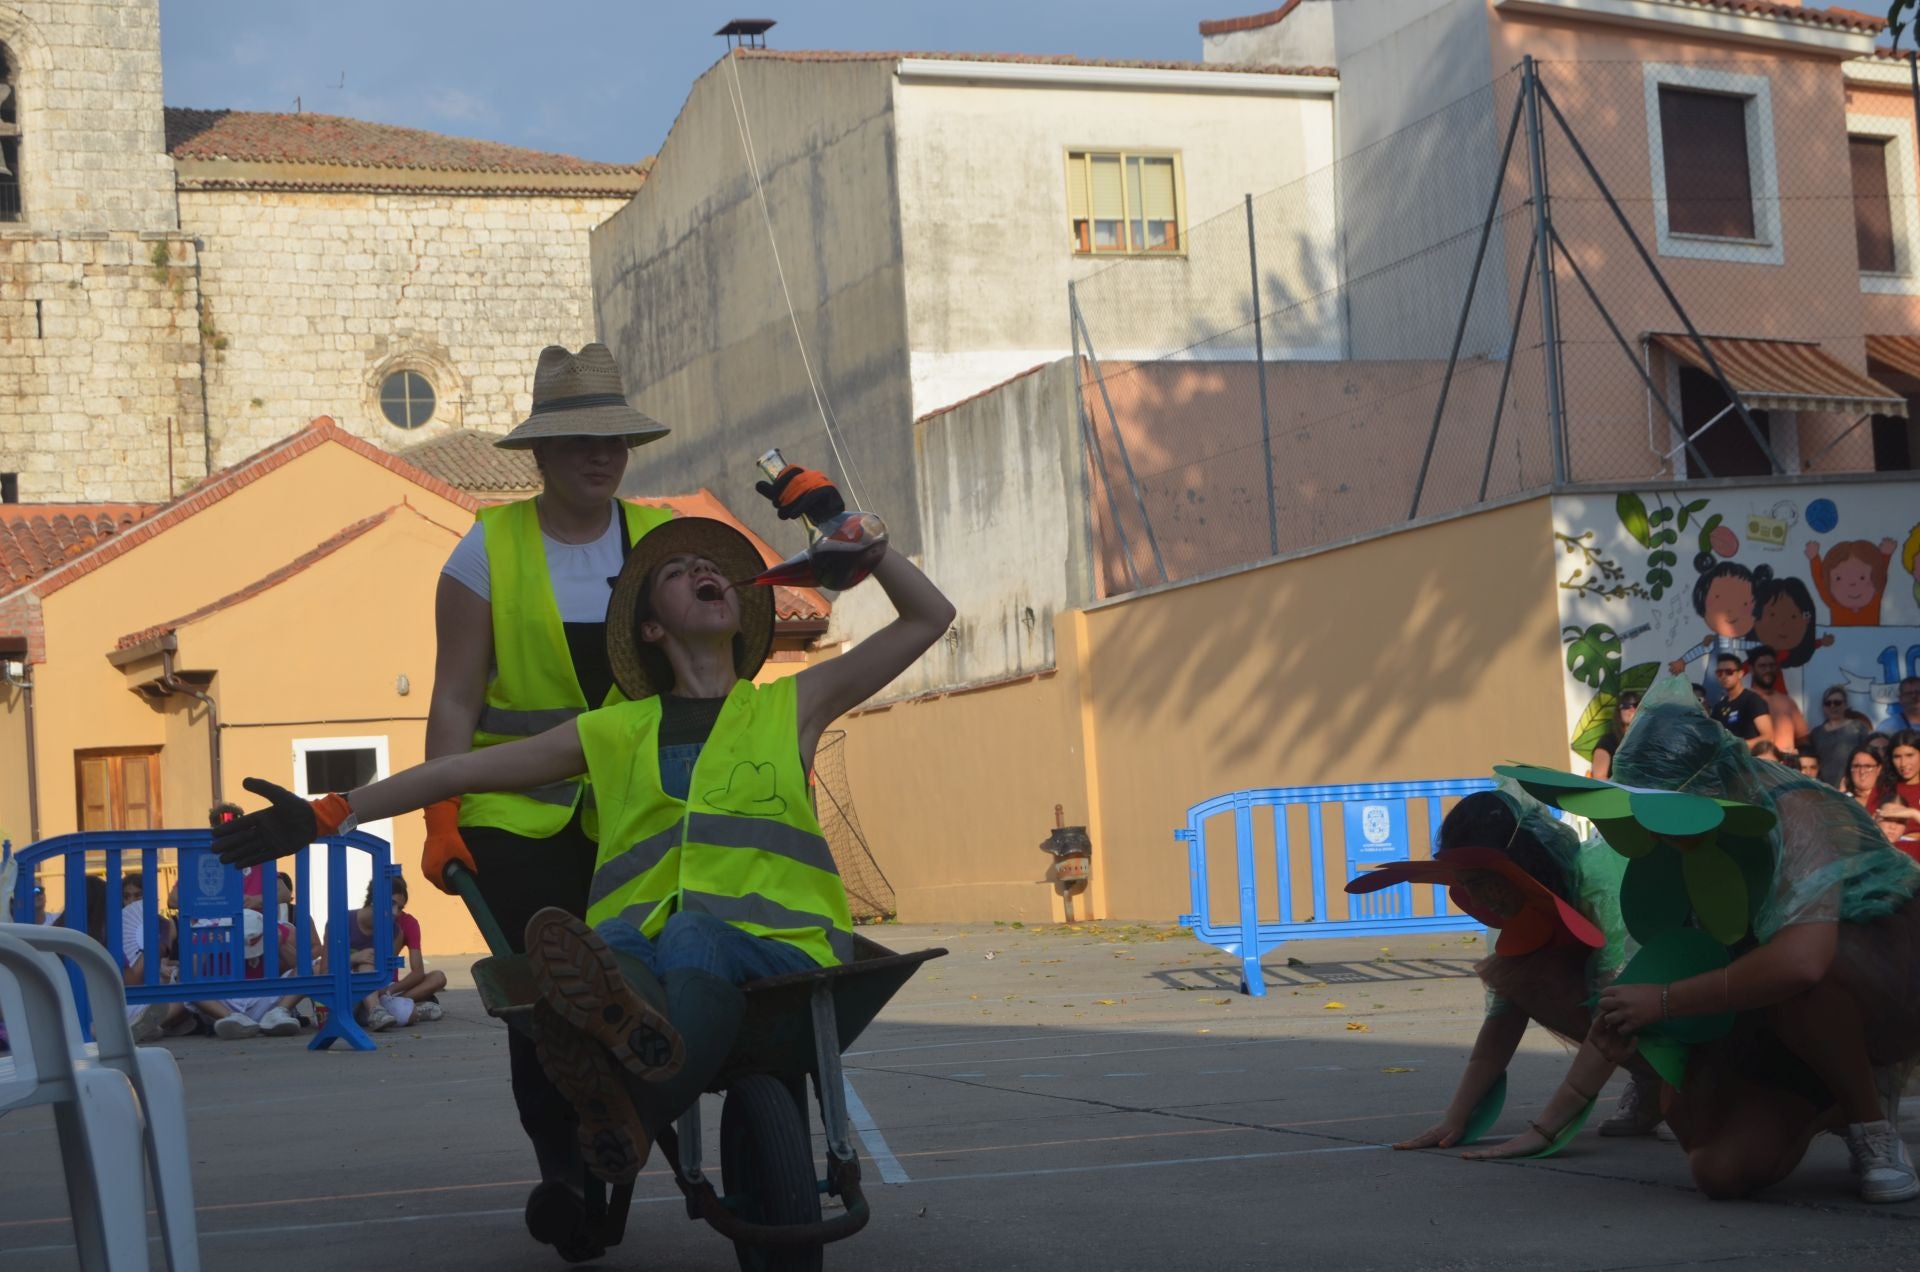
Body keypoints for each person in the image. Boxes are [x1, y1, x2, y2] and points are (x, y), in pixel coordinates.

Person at [214, 477, 953, 1220]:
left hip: (781, 944)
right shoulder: (614, 731)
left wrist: (846, 529)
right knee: (613, 946)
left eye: (715, 570)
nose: (704, 572)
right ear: (651, 631)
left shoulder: (794, 705)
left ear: (739, 614)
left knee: (690, 933)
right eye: (675, 572)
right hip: (654, 952)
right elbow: (462, 768)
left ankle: (629, 1103)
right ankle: (619, 1061)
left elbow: (930, 617)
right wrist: (330, 813)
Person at [420, 343, 675, 1255]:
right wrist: (440, 816)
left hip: (640, 807)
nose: (598, 455)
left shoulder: (664, 539)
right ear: (539, 454)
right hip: (517, 810)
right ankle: (563, 1173)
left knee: (655, 973)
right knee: (543, 992)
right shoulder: (485, 549)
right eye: (576, 442)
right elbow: (455, 696)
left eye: (612, 438)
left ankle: (629, 1120)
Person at [1487, 680, 1920, 1203]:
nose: (1654, 822)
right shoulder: (1670, 845)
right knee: (1720, 1169)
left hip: (1881, 979)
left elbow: (1803, 963)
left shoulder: (1794, 810)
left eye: (1666, 807)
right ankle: (1835, 1095)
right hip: (1767, 1010)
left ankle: (1870, 1124)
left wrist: (1665, 1002)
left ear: (1707, 786)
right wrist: (1633, 1036)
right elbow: (1670, 958)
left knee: (1794, 971)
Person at [1373, 788, 1663, 1150]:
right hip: (1630, 1013)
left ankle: (1672, 1081)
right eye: (1464, 885)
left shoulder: (1600, 887)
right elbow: (1501, 1024)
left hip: (1689, 1010)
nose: (1475, 899)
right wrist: (1456, 1118)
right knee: (1526, 980)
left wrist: (1544, 1130)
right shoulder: (1523, 914)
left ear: (1521, 864)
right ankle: (1654, 1079)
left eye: (1480, 882)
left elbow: (1615, 1019)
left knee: (1614, 1005)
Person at [1747, 648, 1807, 763]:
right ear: (1751, 669)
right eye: (1762, 666)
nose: (1768, 670)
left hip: (1786, 768)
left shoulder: (1787, 701)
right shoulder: (1745, 700)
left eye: (1772, 665)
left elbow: (1803, 739)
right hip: (1758, 767)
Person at [1810, 683, 1872, 788]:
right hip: (1824, 788)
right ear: (1823, 707)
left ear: (1845, 705)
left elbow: (1868, 756)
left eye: (1837, 703)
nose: (1832, 706)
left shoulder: (1858, 727)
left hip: (1852, 785)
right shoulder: (1816, 733)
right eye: (1828, 703)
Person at [1708, 652, 1772, 754]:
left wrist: (1738, 746)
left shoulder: (1752, 700)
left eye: (1729, 672)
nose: (1724, 676)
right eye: (1719, 673)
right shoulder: (1718, 707)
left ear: (1740, 673)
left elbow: (1769, 737)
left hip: (1750, 763)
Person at [1590, 691, 1639, 781]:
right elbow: (1599, 778)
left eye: (1636, 705)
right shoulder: (1607, 742)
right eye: (1626, 704)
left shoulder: (1647, 741)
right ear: (1619, 711)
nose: (1632, 709)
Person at [1844, 745, 1899, 818]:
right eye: (1856, 766)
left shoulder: (1889, 796)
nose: (1862, 771)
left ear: (1878, 769)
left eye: (1868, 766)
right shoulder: (1841, 799)